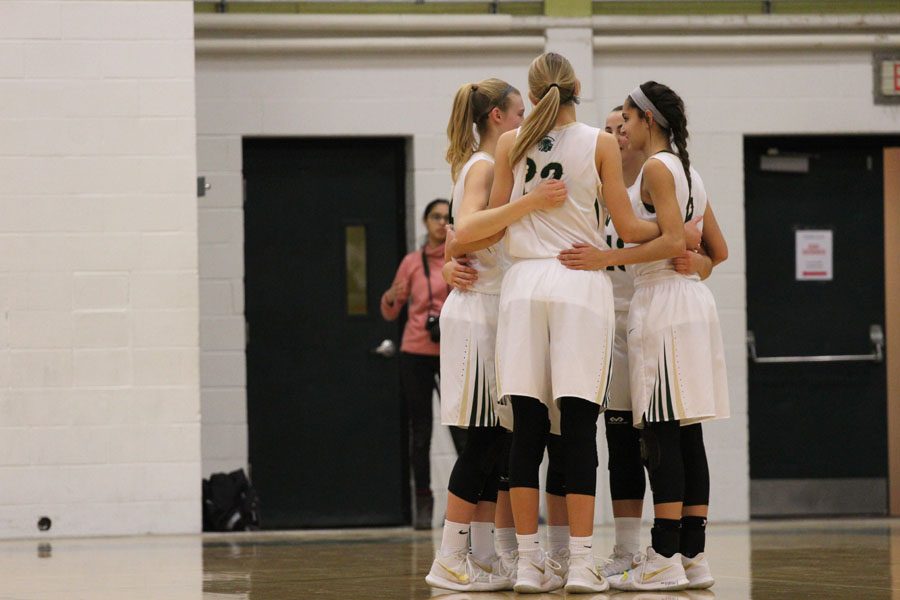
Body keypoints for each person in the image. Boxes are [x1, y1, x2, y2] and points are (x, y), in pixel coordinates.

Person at [456, 52, 663, 594]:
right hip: (578, 285)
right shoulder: (599, 141)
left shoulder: (509, 143)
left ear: (535, 90)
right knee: (576, 429)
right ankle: (580, 562)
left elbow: (484, 228)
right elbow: (625, 226)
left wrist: (466, 253)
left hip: (523, 287)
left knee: (525, 430)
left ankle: (526, 563)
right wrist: (670, 228)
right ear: (577, 88)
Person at [558, 81, 729, 591]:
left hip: (661, 305)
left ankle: (664, 554)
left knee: (661, 434)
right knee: (683, 432)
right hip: (684, 304)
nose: (620, 129)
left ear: (646, 120)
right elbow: (711, 250)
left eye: (626, 119)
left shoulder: (658, 167)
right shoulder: (688, 169)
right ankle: (690, 554)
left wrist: (606, 256)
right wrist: (691, 259)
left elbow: (676, 239)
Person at [426, 77, 569, 592]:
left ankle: (482, 554)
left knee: (495, 440)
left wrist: (448, 260)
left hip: (488, 304)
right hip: (480, 308)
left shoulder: (483, 164)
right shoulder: (486, 164)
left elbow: (457, 242)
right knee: (483, 438)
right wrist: (530, 204)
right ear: (497, 119)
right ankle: (449, 554)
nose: (525, 120)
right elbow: (464, 231)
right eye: (519, 112)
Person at [380, 198, 465, 530]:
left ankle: (463, 501)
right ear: (425, 221)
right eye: (435, 217)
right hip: (415, 350)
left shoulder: (459, 255)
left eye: (447, 218)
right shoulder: (411, 262)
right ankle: (423, 503)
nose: (441, 223)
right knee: (420, 431)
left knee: (460, 427)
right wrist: (390, 295)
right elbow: (391, 309)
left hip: (451, 347)